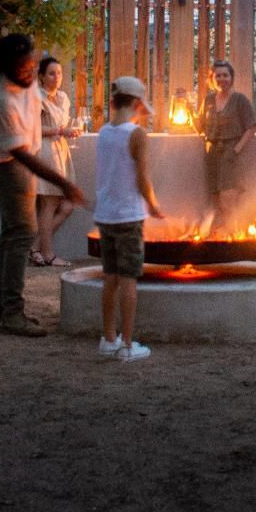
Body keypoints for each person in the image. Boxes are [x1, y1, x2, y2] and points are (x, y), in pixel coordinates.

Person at [0, 34, 87, 337]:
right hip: (5, 167)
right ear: (11, 64)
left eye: (32, 65)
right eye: (26, 66)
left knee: (12, 235)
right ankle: (12, 313)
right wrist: (63, 182)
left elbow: (43, 107)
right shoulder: (0, 98)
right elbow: (21, 154)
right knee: (22, 233)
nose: (30, 71)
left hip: (17, 163)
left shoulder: (23, 87)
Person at [94, 75, 164, 361]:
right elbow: (143, 179)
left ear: (113, 101)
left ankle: (108, 338)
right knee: (128, 280)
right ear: (137, 104)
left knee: (109, 278)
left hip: (105, 216)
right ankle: (127, 344)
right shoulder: (137, 135)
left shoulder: (103, 132)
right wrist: (154, 206)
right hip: (129, 217)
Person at [194, 58, 256, 231]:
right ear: (212, 79)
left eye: (225, 75)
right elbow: (199, 125)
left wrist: (236, 150)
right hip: (212, 152)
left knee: (227, 197)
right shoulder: (208, 100)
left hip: (230, 151)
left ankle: (233, 236)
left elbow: (251, 127)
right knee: (215, 197)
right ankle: (223, 236)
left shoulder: (239, 100)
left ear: (231, 78)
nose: (222, 79)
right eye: (218, 76)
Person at [32, 56, 82, 267]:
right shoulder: (36, 98)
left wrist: (70, 130)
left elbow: (66, 124)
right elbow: (32, 128)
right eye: (51, 73)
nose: (56, 77)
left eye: (59, 73)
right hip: (45, 152)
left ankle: (34, 247)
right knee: (49, 203)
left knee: (68, 203)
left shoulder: (62, 98)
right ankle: (49, 254)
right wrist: (61, 130)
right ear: (42, 76)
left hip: (61, 152)